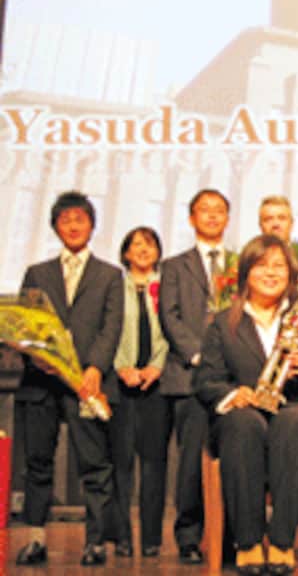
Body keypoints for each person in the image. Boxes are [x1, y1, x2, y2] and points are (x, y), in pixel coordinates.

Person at [194, 235, 298, 575]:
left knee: (290, 424)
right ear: (245, 274)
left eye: (278, 266)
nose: (270, 273)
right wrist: (232, 395)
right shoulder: (224, 323)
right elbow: (205, 380)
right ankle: (249, 542)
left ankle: (283, 542)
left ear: (291, 274)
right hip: (244, 418)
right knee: (244, 424)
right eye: (261, 265)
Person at [15, 191, 123, 567]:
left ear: (92, 226)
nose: (73, 226)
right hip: (40, 383)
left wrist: (94, 367)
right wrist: (39, 357)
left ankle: (95, 541)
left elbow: (111, 328)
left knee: (94, 464)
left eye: (80, 219)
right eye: (66, 220)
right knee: (38, 463)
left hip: (87, 385)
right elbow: (25, 325)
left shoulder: (110, 275)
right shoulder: (37, 272)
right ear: (56, 227)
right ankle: (35, 538)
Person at [159, 188, 233, 564]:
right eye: (205, 210)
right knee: (191, 459)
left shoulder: (238, 263)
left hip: (232, 378)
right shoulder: (174, 265)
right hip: (188, 375)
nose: (212, 216)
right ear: (191, 218)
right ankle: (188, 535)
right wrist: (199, 354)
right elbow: (169, 316)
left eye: (219, 211)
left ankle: (231, 534)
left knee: (233, 454)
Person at [107, 227, 170, 558]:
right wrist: (121, 367)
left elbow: (170, 332)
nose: (143, 249)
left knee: (154, 464)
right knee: (121, 464)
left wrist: (156, 367)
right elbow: (109, 330)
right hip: (120, 384)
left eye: (150, 244)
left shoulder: (166, 287)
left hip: (157, 385)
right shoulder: (114, 286)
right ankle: (121, 537)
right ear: (125, 252)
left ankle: (151, 538)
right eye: (136, 244)